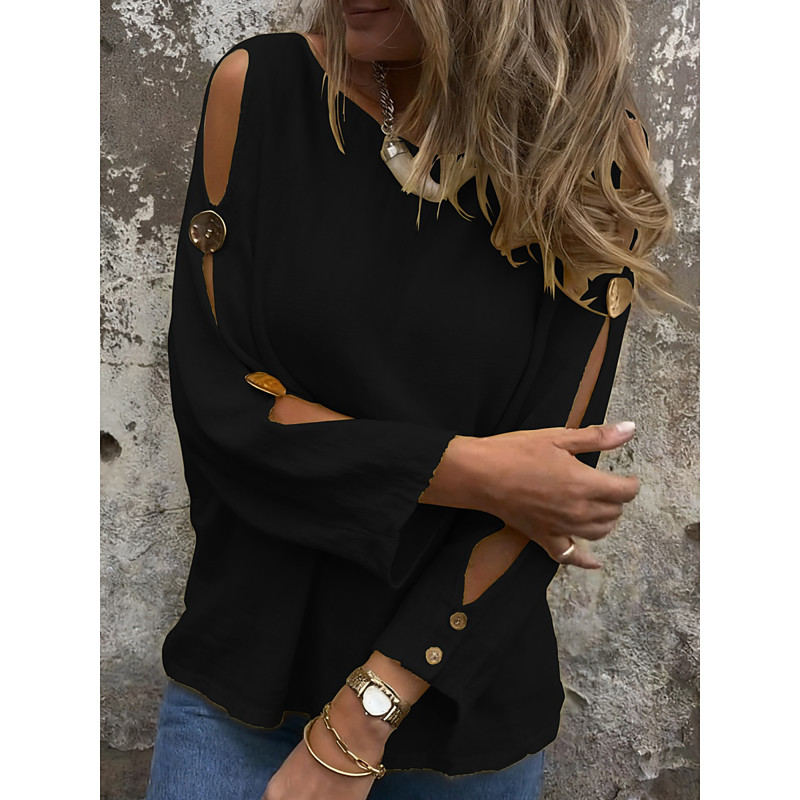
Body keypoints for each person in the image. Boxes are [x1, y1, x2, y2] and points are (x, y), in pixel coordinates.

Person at [144, 1, 675, 798]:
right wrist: (473, 470)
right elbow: (221, 406)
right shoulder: (258, 88)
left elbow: (549, 487)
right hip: (242, 689)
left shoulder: (592, 148)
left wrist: (362, 719)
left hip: (458, 710)